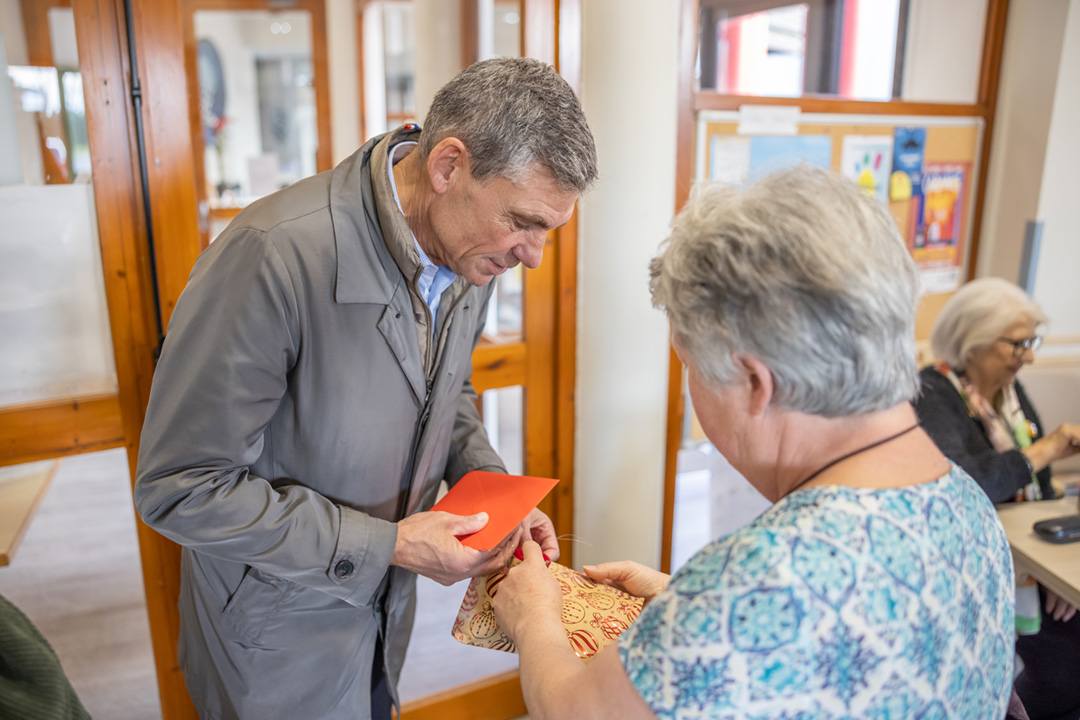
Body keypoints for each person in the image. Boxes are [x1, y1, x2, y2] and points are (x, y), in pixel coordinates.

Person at [133, 57, 597, 720]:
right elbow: (180, 487)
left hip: (382, 613)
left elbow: (448, 393)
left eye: (549, 230)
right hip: (276, 636)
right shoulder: (272, 255)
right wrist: (395, 545)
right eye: (523, 221)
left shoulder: (466, 250)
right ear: (448, 166)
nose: (533, 255)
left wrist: (497, 499)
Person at [492, 166, 1016, 718]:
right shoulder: (969, 503)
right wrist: (687, 610)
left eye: (691, 367)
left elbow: (579, 713)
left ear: (754, 383)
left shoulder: (765, 576)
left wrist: (534, 619)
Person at [914, 277, 1080, 720]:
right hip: (972, 559)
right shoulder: (932, 392)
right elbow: (961, 483)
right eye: (1018, 344)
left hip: (1024, 554)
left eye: (1032, 341)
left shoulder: (1007, 393)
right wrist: (1043, 450)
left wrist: (1047, 564)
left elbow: (1038, 488)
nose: (1029, 356)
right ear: (973, 342)